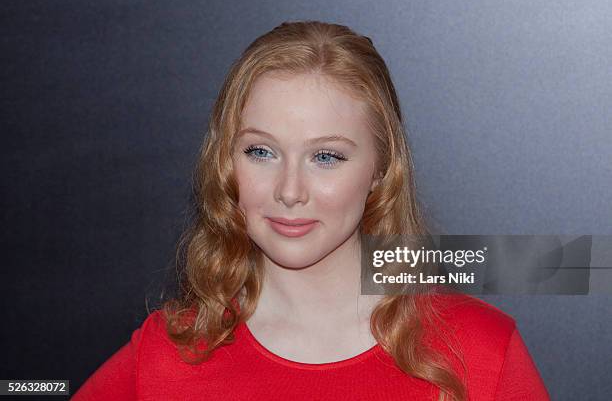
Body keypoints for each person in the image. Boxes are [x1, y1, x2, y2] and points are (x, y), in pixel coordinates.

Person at [72, 20, 550, 400]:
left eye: (326, 156)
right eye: (261, 151)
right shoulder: (168, 354)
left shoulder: (481, 352)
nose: (290, 190)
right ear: (225, 161)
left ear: (381, 170)